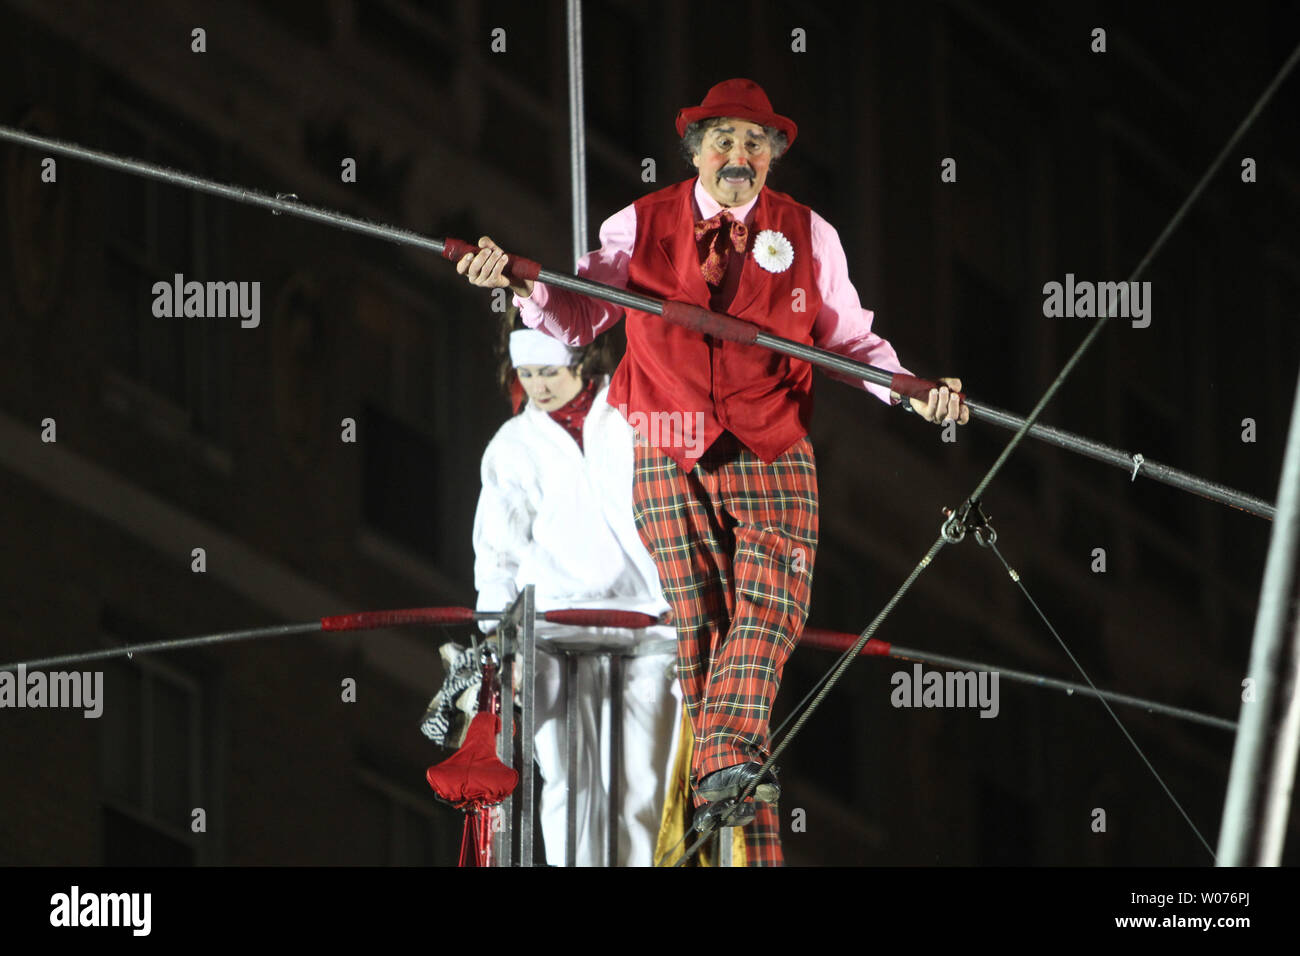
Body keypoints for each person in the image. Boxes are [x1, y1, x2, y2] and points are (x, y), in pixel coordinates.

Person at [459, 78, 969, 866]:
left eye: (756, 143)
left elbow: (851, 344)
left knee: (776, 596)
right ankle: (734, 824)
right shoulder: (641, 224)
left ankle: (726, 749)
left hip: (769, 442)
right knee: (697, 634)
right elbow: (580, 309)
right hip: (665, 439)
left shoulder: (808, 235)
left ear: (772, 158)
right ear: (695, 150)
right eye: (724, 141)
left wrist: (914, 392)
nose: (741, 157)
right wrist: (524, 285)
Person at [472, 312, 680, 866]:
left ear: (580, 361)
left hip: (645, 621)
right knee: (568, 775)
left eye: (549, 372)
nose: (537, 387)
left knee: (641, 779)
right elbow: (497, 554)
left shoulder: (631, 414)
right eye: (526, 374)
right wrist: (499, 641)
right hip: (553, 625)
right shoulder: (513, 446)